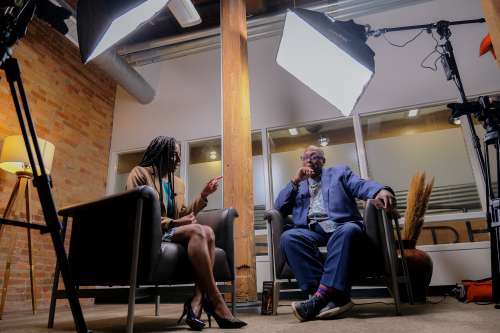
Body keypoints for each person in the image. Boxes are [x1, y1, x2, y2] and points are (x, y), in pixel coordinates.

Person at [127, 136, 247, 330]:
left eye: (180, 156)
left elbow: (183, 213)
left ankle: (197, 302)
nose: (179, 160)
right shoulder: (140, 173)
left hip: (171, 230)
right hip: (152, 232)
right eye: (174, 155)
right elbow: (138, 212)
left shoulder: (178, 183)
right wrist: (174, 222)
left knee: (207, 231)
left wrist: (203, 195)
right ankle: (215, 299)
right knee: (201, 231)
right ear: (161, 153)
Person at [274, 145, 396, 322]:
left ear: (323, 161)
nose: (309, 159)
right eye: (305, 157)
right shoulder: (297, 185)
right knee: (288, 237)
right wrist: (295, 181)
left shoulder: (340, 173)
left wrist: (381, 190)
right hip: (311, 232)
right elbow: (279, 208)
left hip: (341, 227)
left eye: (314, 156)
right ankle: (333, 298)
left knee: (350, 230)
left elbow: (361, 185)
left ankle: (319, 299)